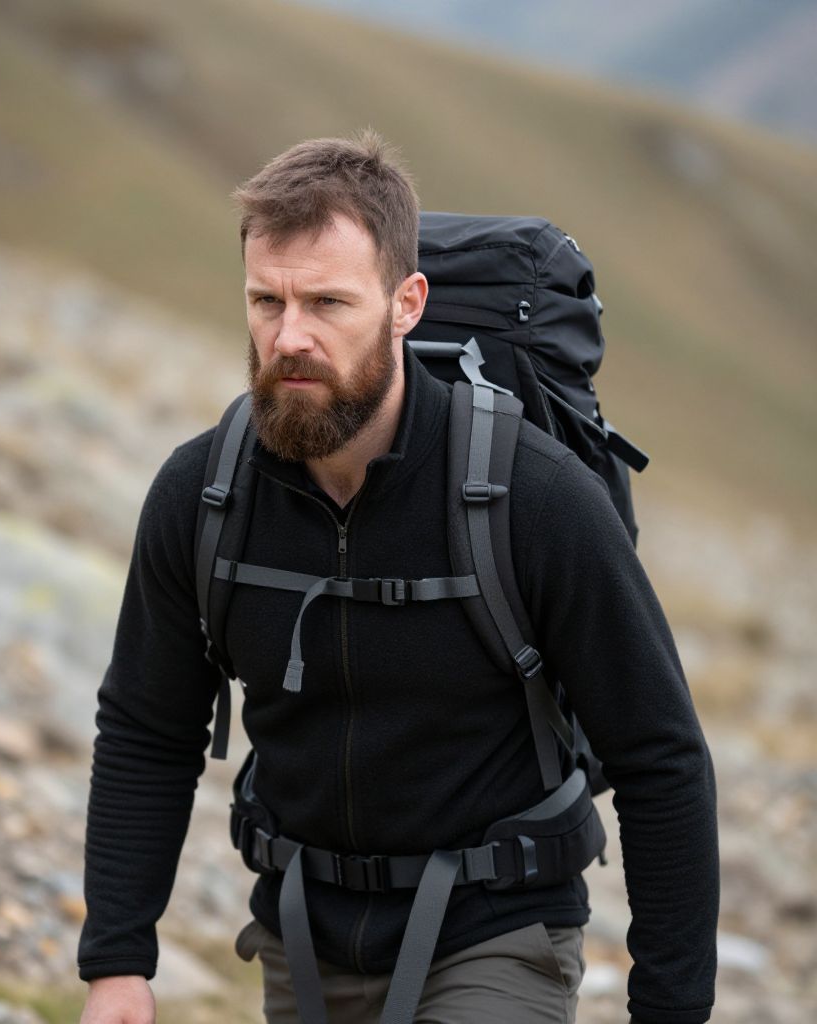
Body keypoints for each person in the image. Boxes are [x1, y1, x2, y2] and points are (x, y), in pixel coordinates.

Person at [78, 132, 719, 1024]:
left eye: (327, 302)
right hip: (303, 934)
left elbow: (662, 756)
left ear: (406, 304)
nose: (288, 337)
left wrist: (670, 1010)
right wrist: (118, 959)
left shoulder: (532, 497)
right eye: (267, 300)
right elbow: (149, 727)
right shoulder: (204, 494)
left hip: (499, 931)